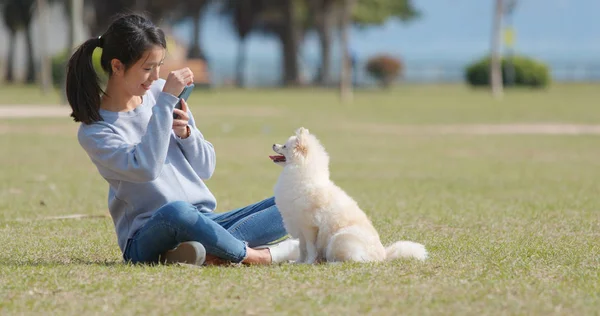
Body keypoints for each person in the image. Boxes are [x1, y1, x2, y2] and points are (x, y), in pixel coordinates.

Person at [65, 13, 298, 266]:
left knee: (293, 201)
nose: (155, 77)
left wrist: (187, 134)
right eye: (147, 68)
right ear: (117, 66)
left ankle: (206, 250)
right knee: (177, 212)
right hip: (149, 234)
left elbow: (206, 168)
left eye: (159, 66)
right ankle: (257, 256)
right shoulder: (96, 131)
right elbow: (147, 168)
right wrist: (164, 104)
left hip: (204, 220)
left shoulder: (160, 93)